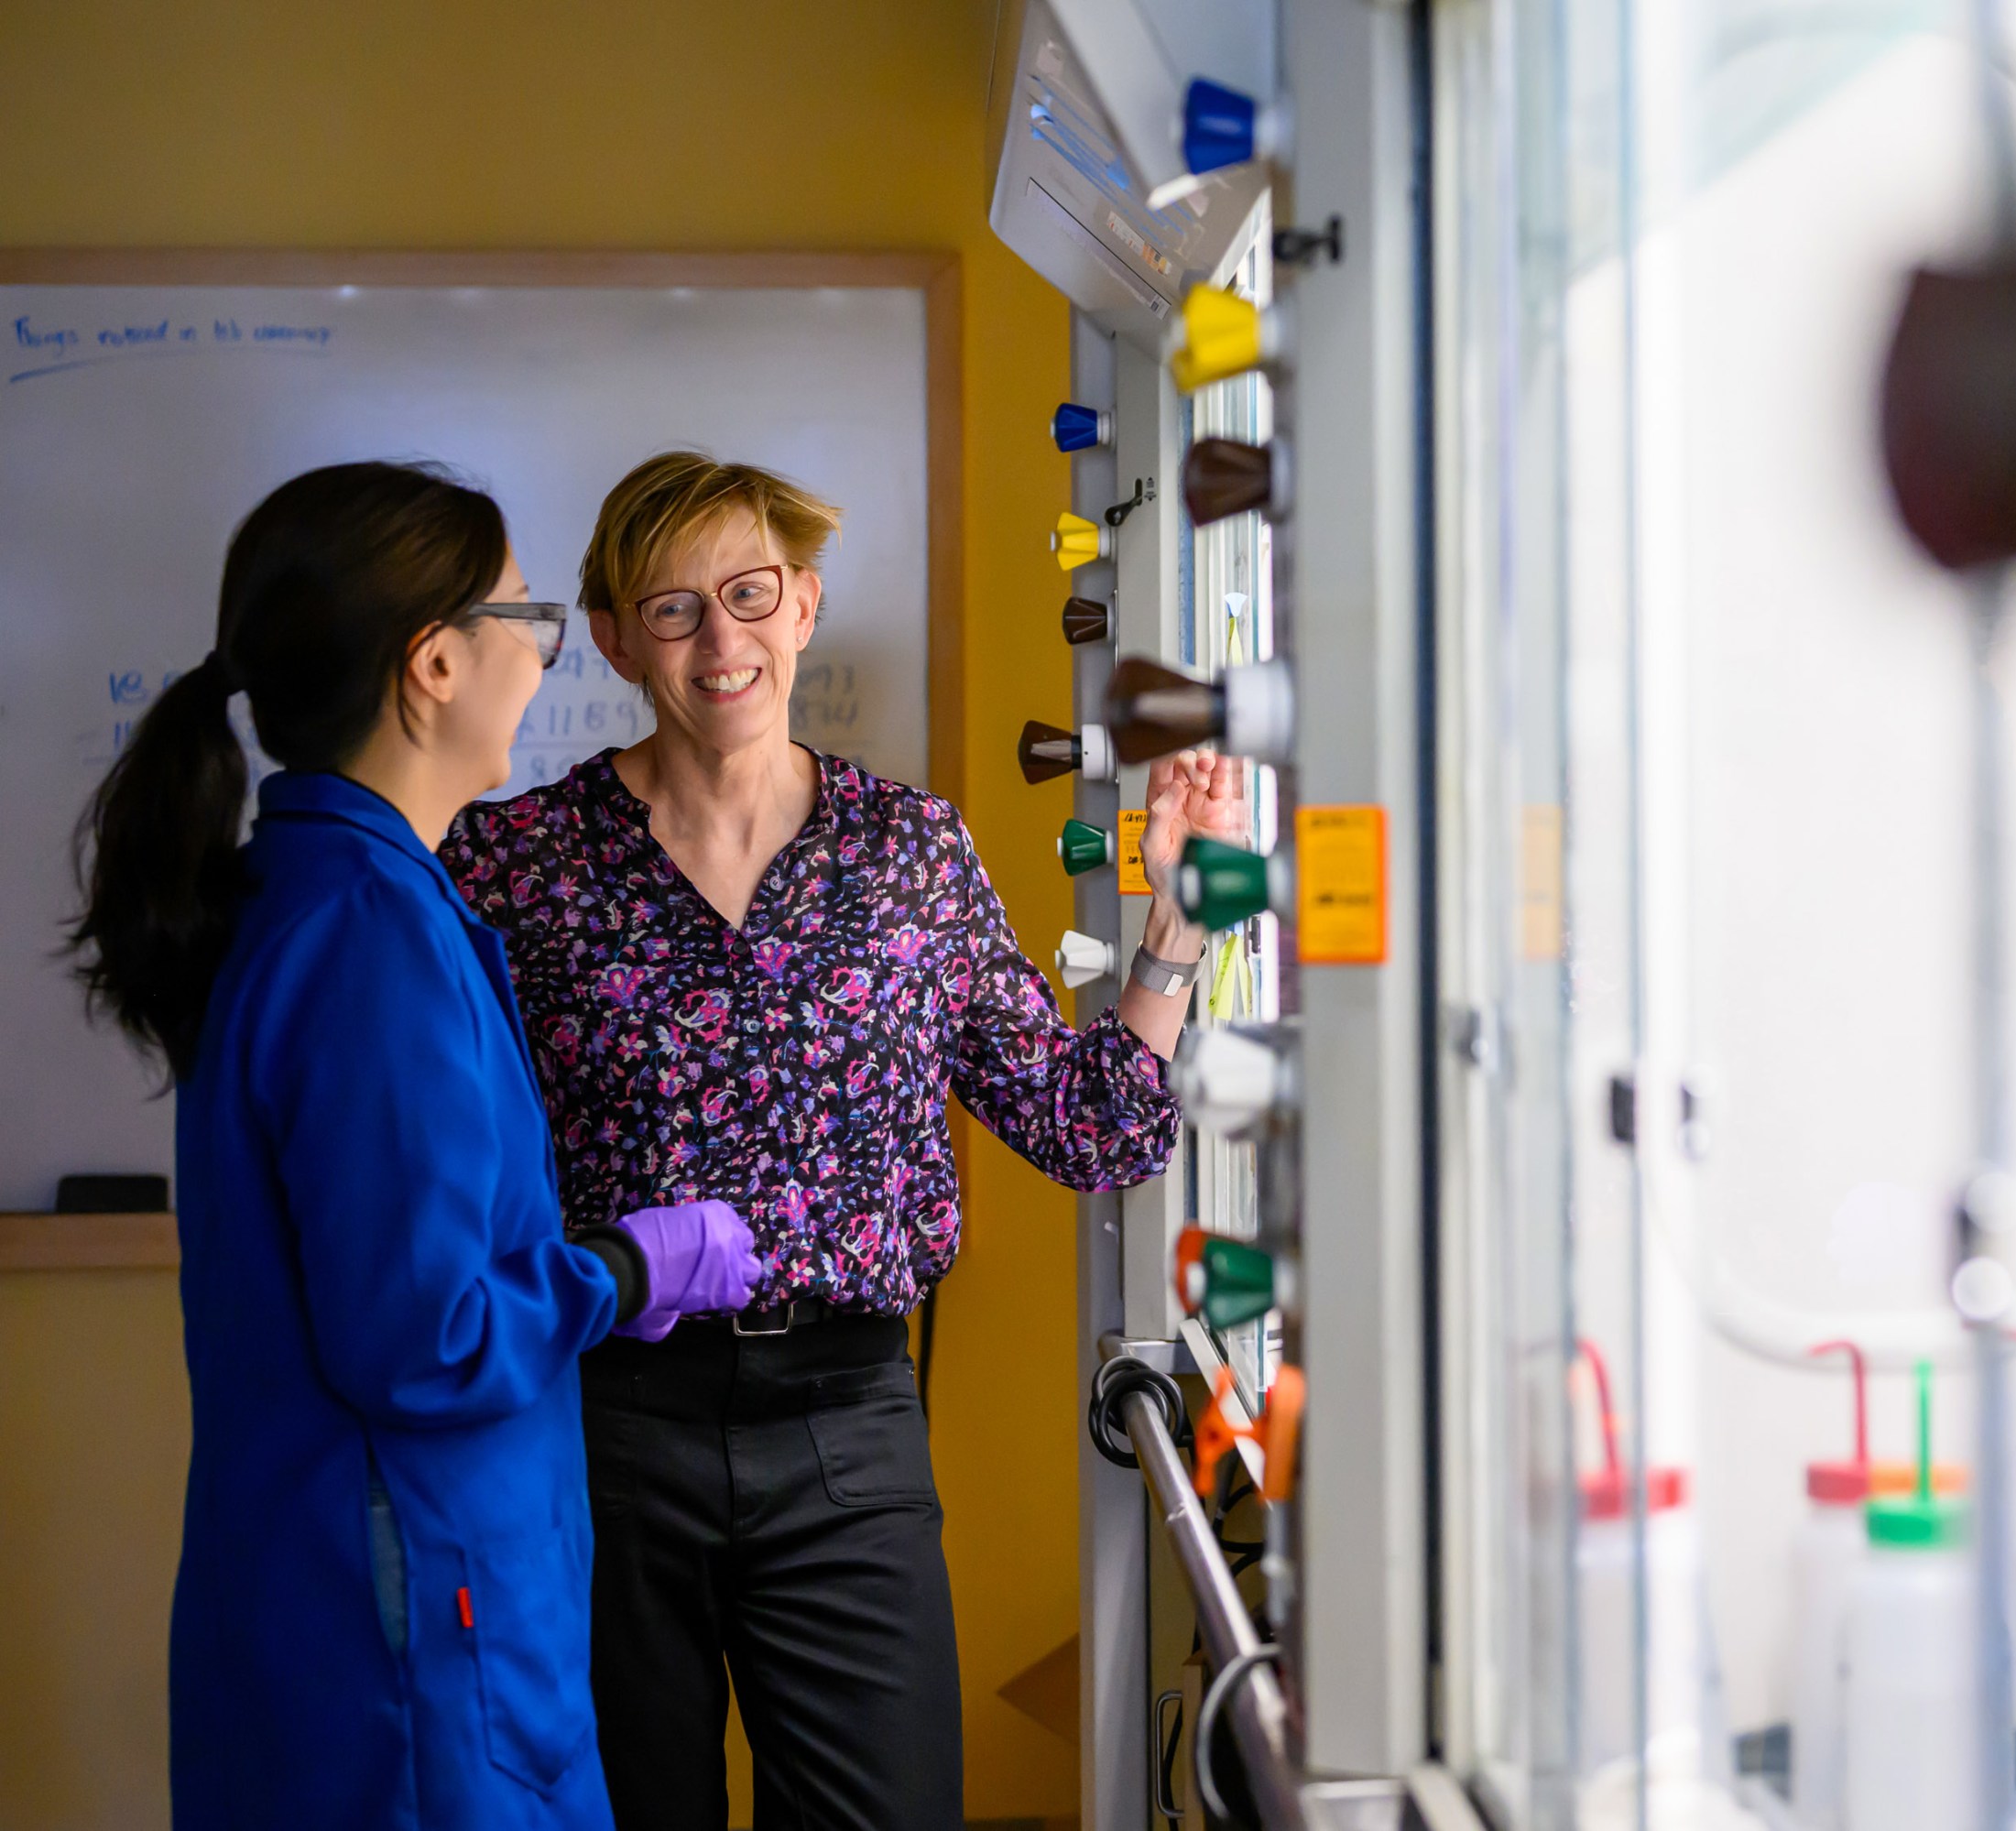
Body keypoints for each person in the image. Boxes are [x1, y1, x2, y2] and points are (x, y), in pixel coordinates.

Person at [443, 450, 1237, 1830]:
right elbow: (439, 1149)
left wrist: (1170, 927)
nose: (721, 639)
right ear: (619, 637)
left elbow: (1088, 1126)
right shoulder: (516, 864)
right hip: (602, 1429)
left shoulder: (910, 854)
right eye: (673, 607)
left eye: (749, 593)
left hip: (847, 1432)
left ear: (803, 606)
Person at [68, 462, 764, 1830]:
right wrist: (630, 1269)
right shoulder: (368, 936)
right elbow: (425, 1339)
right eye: (528, 614)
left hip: (383, 1593)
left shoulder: (336, 894)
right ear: (435, 663)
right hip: (413, 1628)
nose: (545, 649)